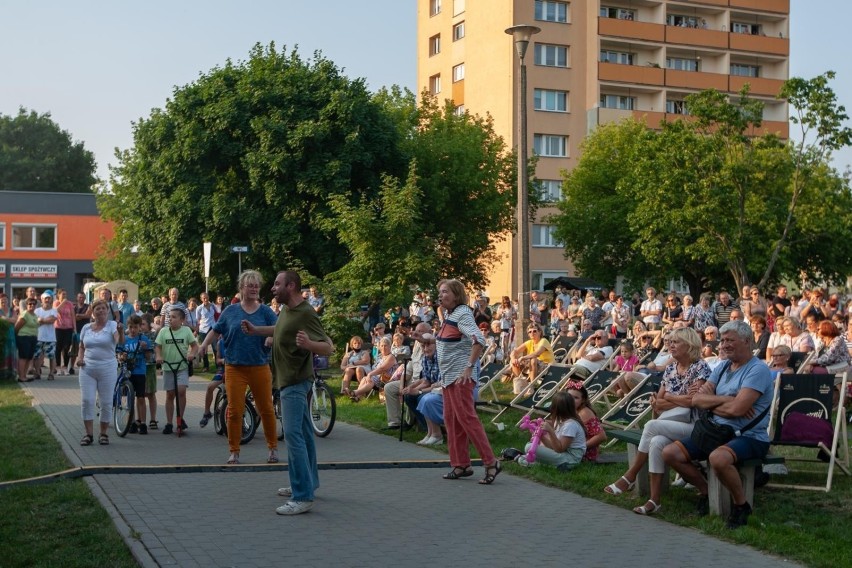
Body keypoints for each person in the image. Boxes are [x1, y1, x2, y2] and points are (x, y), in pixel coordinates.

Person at [662, 320, 774, 529]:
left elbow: (737, 411)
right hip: (716, 431)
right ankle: (706, 491)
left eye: (730, 340)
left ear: (747, 341)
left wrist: (715, 403)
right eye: (722, 340)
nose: (723, 345)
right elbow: (696, 400)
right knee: (670, 454)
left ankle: (741, 505)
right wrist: (728, 399)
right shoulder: (722, 366)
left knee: (718, 458)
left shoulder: (757, 370)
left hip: (748, 435)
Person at [244, 269, 333, 515]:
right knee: (304, 435)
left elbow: (328, 347)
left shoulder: (305, 312)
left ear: (291, 286)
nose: (272, 288)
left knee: (293, 438)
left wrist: (309, 345)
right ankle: (309, 483)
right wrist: (256, 330)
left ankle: (302, 496)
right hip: (288, 381)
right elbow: (279, 331)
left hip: (294, 382)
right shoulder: (287, 311)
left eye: (277, 284)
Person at [605, 327, 710, 516]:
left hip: (696, 426)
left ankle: (631, 475)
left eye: (676, 342)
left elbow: (693, 402)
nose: (670, 345)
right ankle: (655, 500)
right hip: (674, 422)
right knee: (656, 442)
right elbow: (658, 404)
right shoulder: (670, 368)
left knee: (651, 426)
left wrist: (669, 398)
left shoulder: (700, 367)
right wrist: (675, 399)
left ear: (690, 345)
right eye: (669, 342)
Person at [198, 270, 279, 464]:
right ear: (241, 288)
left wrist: (269, 337)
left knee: (266, 408)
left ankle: (273, 449)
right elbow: (215, 331)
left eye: (256, 285)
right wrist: (202, 346)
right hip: (234, 367)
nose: (253, 288)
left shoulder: (266, 311)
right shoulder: (230, 311)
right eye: (249, 285)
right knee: (235, 410)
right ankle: (234, 451)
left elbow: (278, 330)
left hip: (259, 366)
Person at [435, 279, 501, 484]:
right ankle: (461, 464)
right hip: (448, 377)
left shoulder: (462, 313)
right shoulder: (449, 315)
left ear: (456, 294)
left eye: (445, 292)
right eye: (440, 292)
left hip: (460, 376)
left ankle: (491, 462)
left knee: (466, 418)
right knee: (451, 420)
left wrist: (469, 366)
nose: (441, 295)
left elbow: (479, 340)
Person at [77, 299, 124, 446]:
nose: (101, 311)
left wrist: (121, 332)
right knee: (87, 401)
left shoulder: (112, 326)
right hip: (87, 369)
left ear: (108, 311)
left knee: (106, 402)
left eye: (104, 308)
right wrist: (79, 358)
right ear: (93, 312)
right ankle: (88, 434)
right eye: (98, 309)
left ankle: (103, 433)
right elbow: (81, 346)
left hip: (107, 368)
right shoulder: (86, 328)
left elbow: (120, 341)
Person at [515, 391, 586, 470]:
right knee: (530, 446)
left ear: (555, 408)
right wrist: (540, 434)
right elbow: (552, 447)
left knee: (529, 447)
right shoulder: (561, 420)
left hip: (571, 459)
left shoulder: (571, 425)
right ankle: (543, 463)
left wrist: (550, 431)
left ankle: (544, 464)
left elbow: (559, 449)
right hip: (563, 454)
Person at [155, 307, 198, 435]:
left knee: (181, 391)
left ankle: (180, 417)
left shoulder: (186, 331)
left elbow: (195, 345)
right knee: (170, 394)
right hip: (168, 367)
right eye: (169, 317)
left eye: (174, 317)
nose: (170, 319)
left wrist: (192, 354)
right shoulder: (163, 331)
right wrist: (158, 356)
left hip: (182, 366)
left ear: (182, 320)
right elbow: (157, 346)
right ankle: (169, 422)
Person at [121, 315, 152, 434]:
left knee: (140, 397)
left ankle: (143, 422)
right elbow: (120, 354)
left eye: (135, 327)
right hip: (128, 372)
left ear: (140, 327)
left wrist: (145, 349)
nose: (133, 330)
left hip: (139, 372)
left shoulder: (144, 339)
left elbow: (149, 358)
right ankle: (131, 422)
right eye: (131, 327)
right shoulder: (124, 339)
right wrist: (122, 356)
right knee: (129, 398)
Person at [509, 322, 554, 395]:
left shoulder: (543, 341)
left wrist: (522, 357)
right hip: (534, 365)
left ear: (539, 332)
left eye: (534, 331)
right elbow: (515, 351)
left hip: (547, 366)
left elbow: (537, 353)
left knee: (533, 359)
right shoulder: (529, 342)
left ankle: (531, 387)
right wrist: (513, 358)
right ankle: (519, 385)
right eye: (530, 332)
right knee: (515, 361)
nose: (532, 333)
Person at [565, 382, 606, 462]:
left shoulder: (584, 412)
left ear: (583, 400)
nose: (571, 400)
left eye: (576, 398)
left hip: (584, 452)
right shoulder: (569, 410)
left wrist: (581, 447)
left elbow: (602, 436)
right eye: (569, 397)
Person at [349, 336, 397, 401]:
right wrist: (370, 375)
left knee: (370, 379)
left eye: (385, 346)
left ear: (389, 346)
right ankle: (358, 397)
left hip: (387, 379)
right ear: (379, 347)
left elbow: (382, 369)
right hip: (378, 378)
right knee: (364, 378)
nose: (383, 348)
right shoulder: (380, 357)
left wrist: (370, 374)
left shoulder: (391, 357)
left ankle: (356, 392)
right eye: (382, 346)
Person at [199, 337, 226, 428]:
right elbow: (217, 360)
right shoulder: (220, 343)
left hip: (237, 369)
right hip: (223, 369)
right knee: (210, 387)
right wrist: (222, 361)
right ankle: (207, 413)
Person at [34, 292, 59, 380]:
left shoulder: (54, 310)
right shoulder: (37, 311)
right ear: (42, 299)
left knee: (51, 356)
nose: (47, 300)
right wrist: (45, 320)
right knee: (36, 356)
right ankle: (37, 372)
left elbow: (52, 320)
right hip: (38, 337)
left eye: (49, 298)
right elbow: (35, 322)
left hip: (50, 338)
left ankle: (51, 373)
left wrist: (41, 320)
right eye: (46, 298)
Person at [15, 297, 39, 382]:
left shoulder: (35, 315)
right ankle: (21, 376)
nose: (32, 305)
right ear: (26, 305)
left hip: (33, 338)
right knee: (23, 357)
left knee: (29, 357)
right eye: (30, 304)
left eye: (33, 304)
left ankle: (24, 376)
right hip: (24, 337)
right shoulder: (25, 314)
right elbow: (17, 327)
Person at [53, 289, 76, 376]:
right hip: (58, 327)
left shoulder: (69, 304)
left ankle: (65, 367)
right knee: (58, 348)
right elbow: (56, 311)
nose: (64, 296)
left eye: (65, 294)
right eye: (63, 294)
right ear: (58, 295)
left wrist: (75, 328)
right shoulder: (56, 303)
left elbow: (73, 316)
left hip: (68, 328)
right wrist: (62, 302)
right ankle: (58, 367)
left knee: (67, 348)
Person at [195, 292, 217, 371]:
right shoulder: (199, 308)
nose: (205, 299)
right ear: (201, 299)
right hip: (203, 329)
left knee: (215, 347)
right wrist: (196, 330)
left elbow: (217, 315)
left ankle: (218, 365)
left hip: (212, 327)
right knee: (204, 348)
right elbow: (198, 320)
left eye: (206, 297)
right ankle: (206, 366)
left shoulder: (213, 306)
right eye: (204, 298)